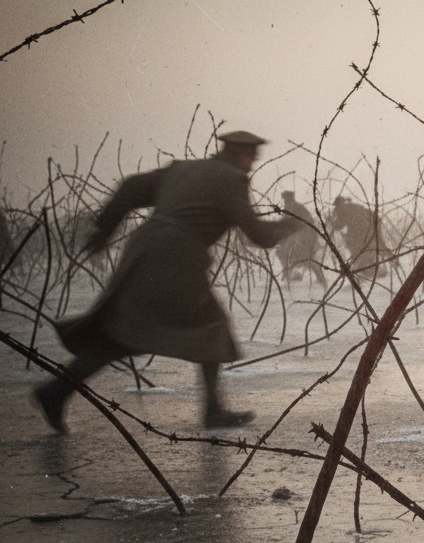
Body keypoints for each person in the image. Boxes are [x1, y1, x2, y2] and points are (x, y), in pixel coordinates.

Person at [33, 130, 296, 433]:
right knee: (213, 327)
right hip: (177, 256)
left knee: (123, 334)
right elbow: (258, 236)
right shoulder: (232, 179)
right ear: (242, 155)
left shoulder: (183, 169)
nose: (251, 165)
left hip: (144, 249)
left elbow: (131, 187)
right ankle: (213, 412)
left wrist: (105, 229)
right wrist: (289, 226)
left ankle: (55, 392)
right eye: (252, 158)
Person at [276, 190, 327, 287]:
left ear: (290, 198)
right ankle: (287, 274)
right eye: (284, 199)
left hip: (304, 237)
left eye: (286, 198)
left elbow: (305, 223)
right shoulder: (291, 207)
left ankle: (319, 278)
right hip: (298, 237)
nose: (285, 201)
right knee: (284, 253)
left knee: (304, 257)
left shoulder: (296, 208)